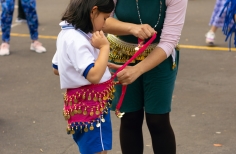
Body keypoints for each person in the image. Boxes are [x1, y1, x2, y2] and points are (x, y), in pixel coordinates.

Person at [102, 0, 187, 153]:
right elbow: (100, 20)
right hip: (120, 55)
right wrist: (132, 28)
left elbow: (169, 40)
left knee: (158, 120)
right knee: (129, 117)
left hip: (159, 57)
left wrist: (137, 69)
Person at [52, 0, 115, 154]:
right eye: (105, 18)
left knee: (91, 149)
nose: (105, 24)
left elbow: (58, 67)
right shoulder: (77, 40)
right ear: (93, 12)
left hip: (81, 104)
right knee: (98, 151)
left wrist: (98, 63)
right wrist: (104, 47)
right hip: (92, 106)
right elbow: (93, 76)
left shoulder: (67, 33)